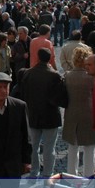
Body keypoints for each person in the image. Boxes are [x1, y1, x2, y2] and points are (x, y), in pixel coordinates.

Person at [17, 47, 66, 178]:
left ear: (38, 57)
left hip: (33, 115)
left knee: (33, 147)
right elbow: (61, 98)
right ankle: (48, 174)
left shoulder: (28, 73)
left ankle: (34, 172)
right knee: (49, 148)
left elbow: (24, 94)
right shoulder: (55, 75)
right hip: (50, 116)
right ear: (50, 58)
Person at [63, 45, 95, 176]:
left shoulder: (67, 76)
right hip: (88, 114)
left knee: (72, 147)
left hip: (71, 113)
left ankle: (71, 175)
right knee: (89, 148)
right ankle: (89, 175)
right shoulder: (91, 77)